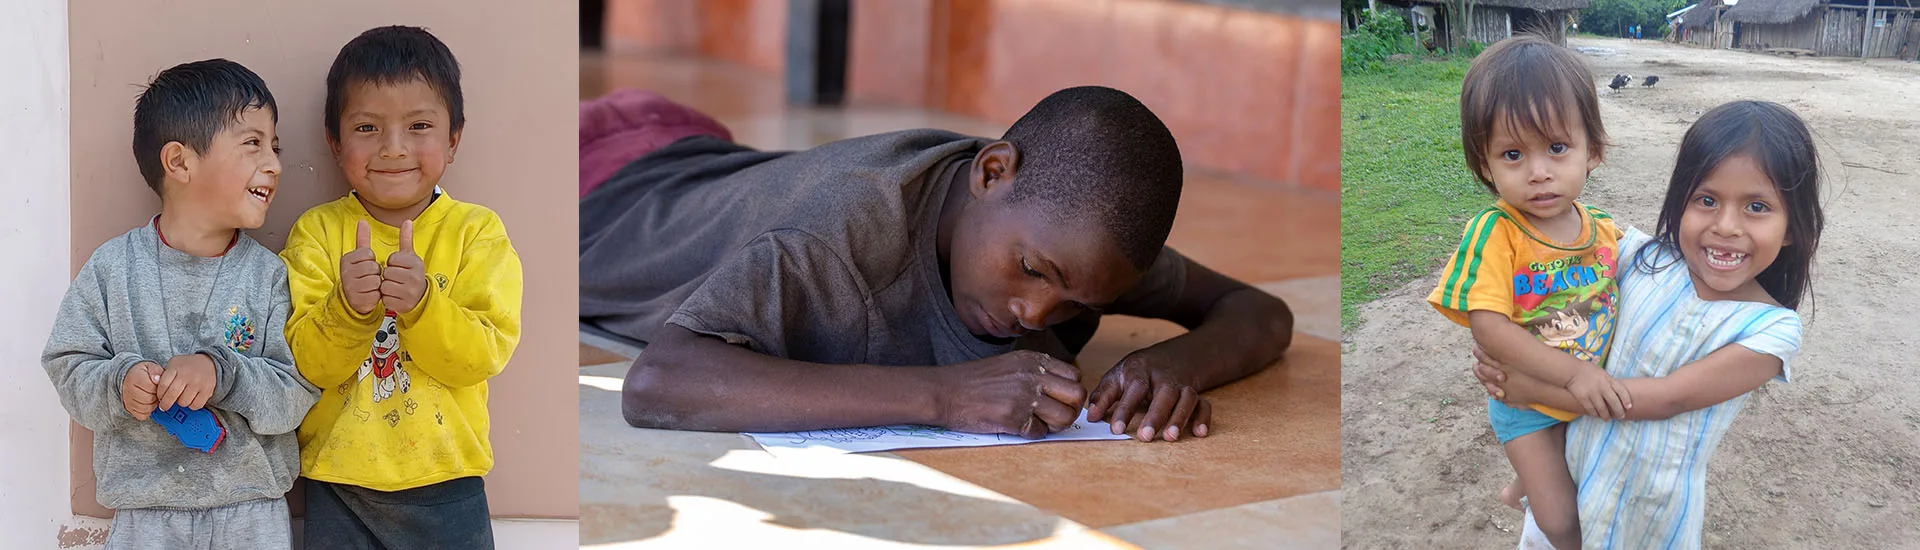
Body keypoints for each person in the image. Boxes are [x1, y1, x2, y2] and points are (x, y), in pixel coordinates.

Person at [580, 85, 1294, 442]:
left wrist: (1177, 366)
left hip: (712, 164)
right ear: (991, 172)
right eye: (1032, 271)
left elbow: (1260, 311)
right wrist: (944, 396)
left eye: (1079, 307)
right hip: (593, 179)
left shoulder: (1074, 243)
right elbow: (659, 383)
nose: (1036, 314)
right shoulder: (843, 234)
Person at [1475, 100, 1824, 548]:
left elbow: (1666, 399)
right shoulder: (1642, 258)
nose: (1727, 225)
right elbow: (1570, 292)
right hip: (1573, 473)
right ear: (1680, 202)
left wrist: (1529, 389)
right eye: (1706, 200)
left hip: (1649, 509)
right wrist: (1514, 347)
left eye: (1757, 206)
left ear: (1793, 226)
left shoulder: (1770, 331)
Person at [42, 58, 319, 549]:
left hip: (251, 514)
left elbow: (295, 394)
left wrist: (223, 374)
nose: (274, 162)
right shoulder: (112, 269)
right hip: (145, 515)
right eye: (253, 142)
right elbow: (67, 364)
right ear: (180, 162)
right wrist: (118, 382)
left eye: (274, 146)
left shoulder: (270, 277)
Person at [282, 26, 522, 549]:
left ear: (453, 139)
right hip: (336, 481)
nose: (394, 149)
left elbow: (483, 354)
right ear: (334, 141)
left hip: (447, 481)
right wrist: (347, 309)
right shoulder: (317, 233)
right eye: (367, 127)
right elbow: (305, 364)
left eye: (419, 126)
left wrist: (423, 306)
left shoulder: (476, 232)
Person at [1425, 34, 1629, 549]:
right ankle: (1535, 489)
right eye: (1512, 154)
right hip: (1529, 408)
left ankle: (1523, 483)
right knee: (1561, 520)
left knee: (1575, 474)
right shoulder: (1497, 232)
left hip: (1577, 396)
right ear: (1484, 164)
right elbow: (1487, 324)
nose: (1539, 172)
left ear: (1593, 150)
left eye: (1557, 148)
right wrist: (1576, 373)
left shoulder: (1602, 227)